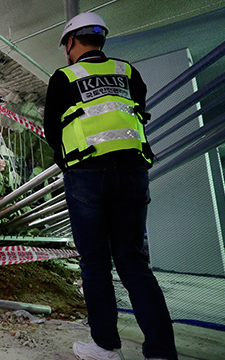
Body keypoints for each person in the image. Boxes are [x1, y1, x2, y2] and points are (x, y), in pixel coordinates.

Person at [43, 12, 178, 360]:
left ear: (71, 42)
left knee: (94, 264)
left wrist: (71, 164)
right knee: (133, 262)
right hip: (133, 173)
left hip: (87, 174)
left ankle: (105, 347)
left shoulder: (64, 77)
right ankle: (161, 352)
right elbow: (137, 112)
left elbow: (51, 131)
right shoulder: (127, 72)